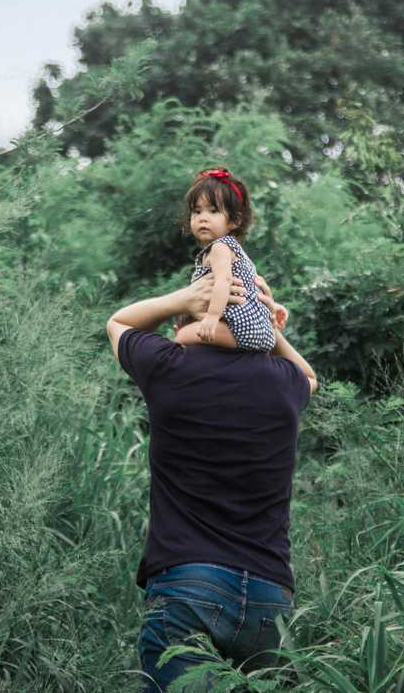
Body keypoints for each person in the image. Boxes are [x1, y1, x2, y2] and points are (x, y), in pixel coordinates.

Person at [106, 269, 317, 692]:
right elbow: (309, 375)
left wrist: (184, 298)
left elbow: (119, 323)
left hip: (188, 586)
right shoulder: (284, 384)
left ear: (187, 320)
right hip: (268, 597)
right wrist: (267, 325)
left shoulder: (169, 367)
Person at [174, 168, 288, 351]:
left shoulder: (220, 247)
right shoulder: (234, 251)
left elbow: (224, 281)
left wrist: (212, 317)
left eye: (213, 211)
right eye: (197, 211)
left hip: (242, 330)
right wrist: (274, 307)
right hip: (259, 329)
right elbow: (249, 289)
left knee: (182, 335)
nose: (203, 218)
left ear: (234, 221)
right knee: (189, 330)